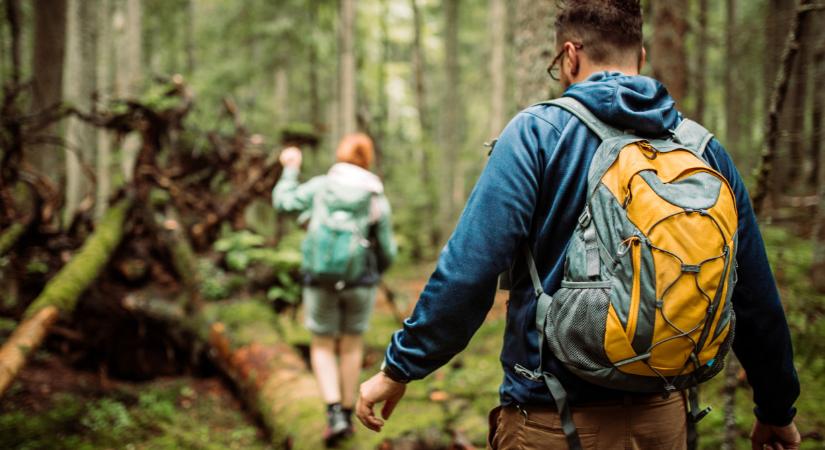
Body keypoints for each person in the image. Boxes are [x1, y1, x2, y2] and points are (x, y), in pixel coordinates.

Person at [356, 1, 801, 449]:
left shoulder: (537, 133)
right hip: (664, 420)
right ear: (641, 56)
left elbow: (469, 269)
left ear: (570, 57)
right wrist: (777, 407)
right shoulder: (701, 148)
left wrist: (400, 368)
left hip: (553, 422)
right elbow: (754, 293)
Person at [273, 133, 397, 447]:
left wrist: (290, 167)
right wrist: (374, 273)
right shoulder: (374, 196)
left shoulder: (321, 187)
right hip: (359, 283)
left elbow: (283, 202)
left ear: (340, 156)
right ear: (367, 159)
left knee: (323, 344)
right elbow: (387, 250)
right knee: (351, 345)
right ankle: (348, 408)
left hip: (319, 280)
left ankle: (333, 415)